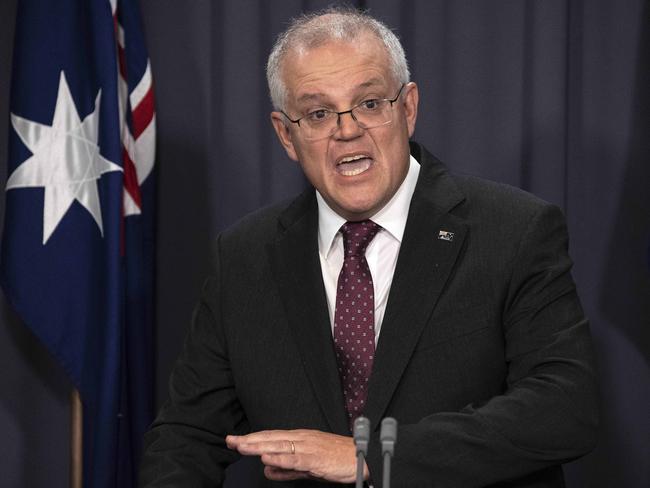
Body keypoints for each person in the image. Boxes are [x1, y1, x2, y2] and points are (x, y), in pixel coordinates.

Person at [140, 7, 598, 487]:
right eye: (318, 113)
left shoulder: (513, 231)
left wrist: (370, 459)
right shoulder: (243, 256)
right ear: (286, 135)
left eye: (370, 103)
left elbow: (565, 408)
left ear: (408, 108)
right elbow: (185, 437)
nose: (347, 129)